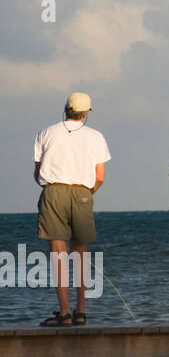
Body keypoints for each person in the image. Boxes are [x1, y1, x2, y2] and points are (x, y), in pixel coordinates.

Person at [33, 93, 111, 326]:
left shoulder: (46, 133)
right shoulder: (96, 136)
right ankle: (81, 310)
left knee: (58, 255)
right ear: (86, 113)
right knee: (80, 254)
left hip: (53, 191)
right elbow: (100, 177)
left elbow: (37, 174)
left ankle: (64, 312)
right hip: (82, 193)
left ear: (66, 109)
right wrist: (87, 193)